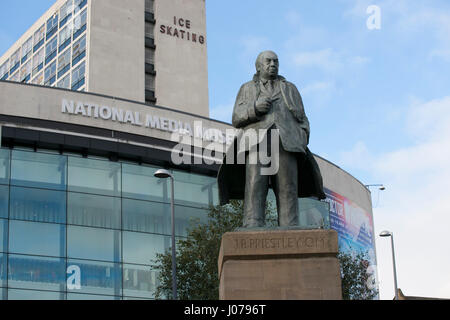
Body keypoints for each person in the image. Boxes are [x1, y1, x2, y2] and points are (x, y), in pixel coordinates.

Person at [217, 50, 326, 228]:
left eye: (276, 61)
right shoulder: (247, 88)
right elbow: (236, 117)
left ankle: (289, 225)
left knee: (287, 187)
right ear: (258, 66)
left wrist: (303, 136)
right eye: (268, 61)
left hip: (286, 143)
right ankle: (252, 224)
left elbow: (303, 118)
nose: (273, 64)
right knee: (254, 184)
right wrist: (254, 108)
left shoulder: (290, 88)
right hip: (256, 142)